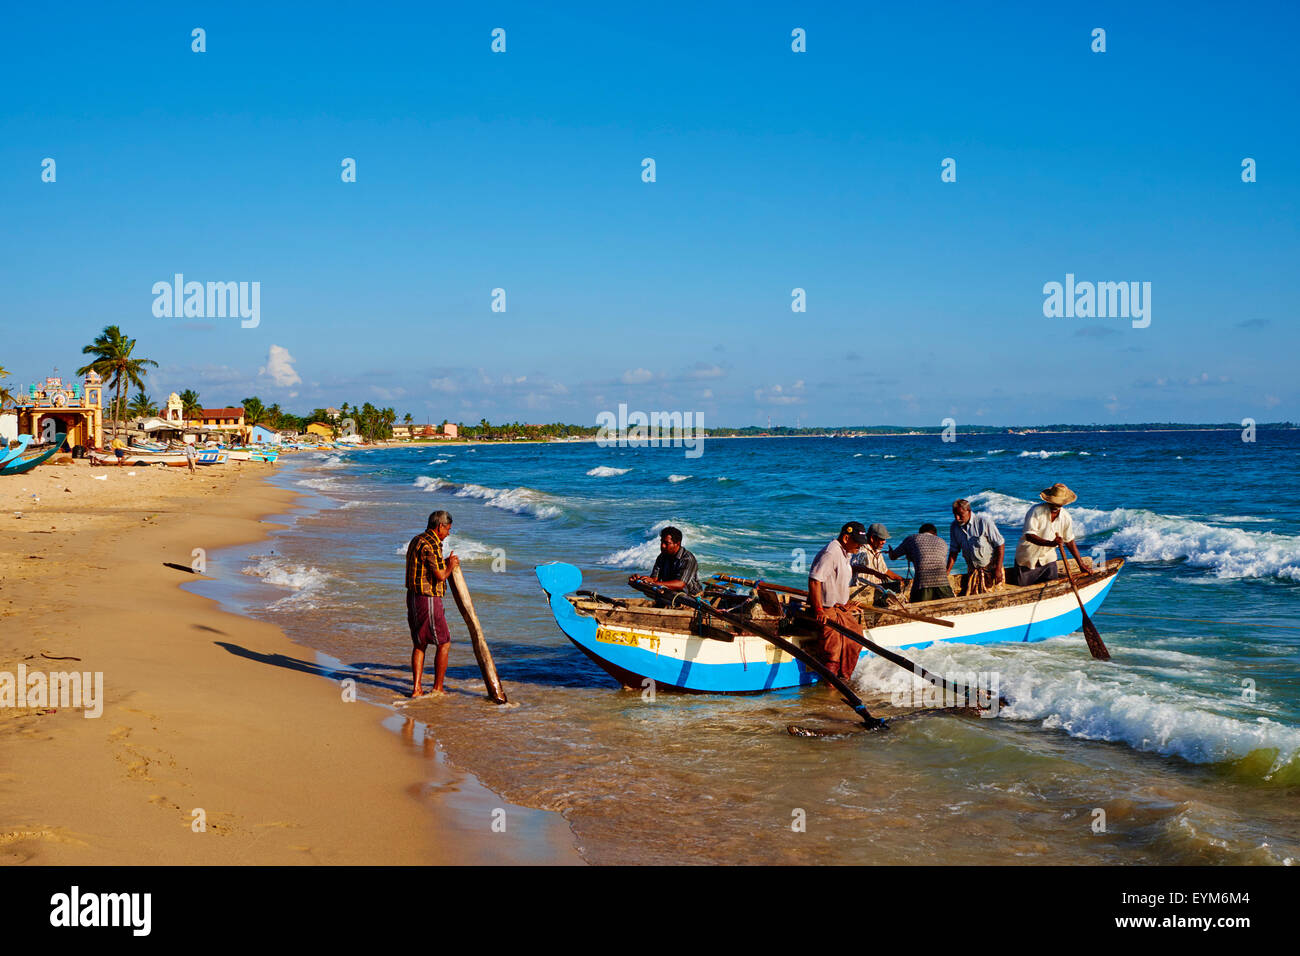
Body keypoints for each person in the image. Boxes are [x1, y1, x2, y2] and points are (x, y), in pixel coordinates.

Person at [405, 509, 459, 697]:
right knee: (444, 642)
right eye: (448, 529)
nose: (448, 534)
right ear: (440, 527)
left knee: (420, 643)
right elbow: (440, 576)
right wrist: (451, 566)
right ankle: (438, 687)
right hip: (428, 598)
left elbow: (426, 565)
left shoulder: (417, 539)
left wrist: (444, 562)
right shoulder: (432, 544)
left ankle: (417, 688)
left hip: (412, 597)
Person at [808, 521, 869, 680]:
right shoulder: (831, 552)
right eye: (858, 543)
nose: (860, 547)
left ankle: (843, 678)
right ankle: (830, 688)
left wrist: (845, 604)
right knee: (833, 651)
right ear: (846, 538)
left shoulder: (846, 553)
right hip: (827, 609)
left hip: (839, 608)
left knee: (855, 638)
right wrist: (819, 610)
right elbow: (815, 580)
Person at [1014, 483, 1092, 586]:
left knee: (1053, 587)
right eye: (1053, 503)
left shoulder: (1066, 517)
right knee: (1023, 590)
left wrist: (1080, 564)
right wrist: (1051, 543)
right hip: (1028, 559)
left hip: (1048, 560)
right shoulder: (1036, 511)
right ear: (1048, 501)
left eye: (1058, 504)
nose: (1055, 506)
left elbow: (1069, 541)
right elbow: (1029, 535)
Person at [947, 498, 1005, 593]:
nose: (957, 518)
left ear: (969, 511)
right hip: (973, 572)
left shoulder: (984, 522)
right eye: (955, 515)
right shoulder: (954, 527)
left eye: (960, 515)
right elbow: (954, 551)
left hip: (991, 571)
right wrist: (947, 572)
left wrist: (998, 570)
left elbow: (1000, 544)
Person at [628, 526, 702, 600]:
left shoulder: (687, 559)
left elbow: (680, 584)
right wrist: (642, 579)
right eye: (662, 542)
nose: (662, 546)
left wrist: (654, 583)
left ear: (677, 544)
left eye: (666, 543)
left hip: (691, 597)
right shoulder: (662, 557)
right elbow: (654, 579)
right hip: (672, 594)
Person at [889, 523, 955, 602]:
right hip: (943, 582)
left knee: (915, 604)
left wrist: (890, 552)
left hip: (922, 584)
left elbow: (893, 557)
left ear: (920, 533)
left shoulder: (912, 539)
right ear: (935, 534)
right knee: (950, 603)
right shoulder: (942, 542)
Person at [850, 523, 905, 607]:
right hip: (862, 593)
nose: (884, 542)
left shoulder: (878, 551)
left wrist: (899, 578)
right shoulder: (862, 550)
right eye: (882, 539)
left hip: (877, 592)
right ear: (872, 538)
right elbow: (854, 567)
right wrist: (874, 573)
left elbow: (884, 570)